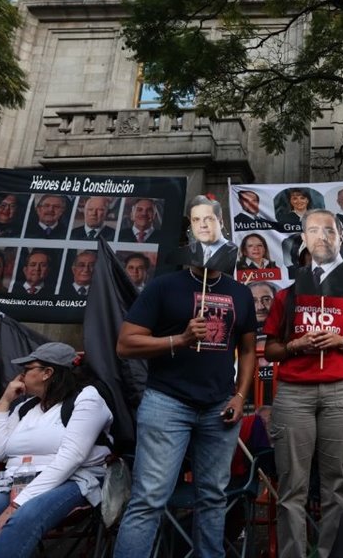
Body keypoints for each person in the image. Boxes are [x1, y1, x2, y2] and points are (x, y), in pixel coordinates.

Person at [113, 195, 257, 558]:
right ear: (190, 232)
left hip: (218, 407)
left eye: (210, 219)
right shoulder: (165, 285)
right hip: (167, 403)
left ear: (221, 225)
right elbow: (126, 344)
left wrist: (240, 397)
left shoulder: (240, 293)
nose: (204, 225)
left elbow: (250, 350)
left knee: (213, 497)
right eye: (196, 221)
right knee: (149, 498)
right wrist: (179, 339)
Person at [0, 342, 112, 558]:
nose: (20, 374)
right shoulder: (26, 406)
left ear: (47, 373)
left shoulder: (87, 398)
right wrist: (5, 400)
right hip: (15, 480)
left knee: (23, 518)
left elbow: (71, 458)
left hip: (70, 480)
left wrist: (17, 505)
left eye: (27, 369)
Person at [263, 208, 343, 558]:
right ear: (302, 248)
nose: (321, 240)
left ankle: (329, 554)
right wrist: (296, 345)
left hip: (339, 393)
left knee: (338, 488)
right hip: (294, 395)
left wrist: (340, 343)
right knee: (292, 488)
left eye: (329, 233)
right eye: (313, 235)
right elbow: (272, 350)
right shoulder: (286, 297)